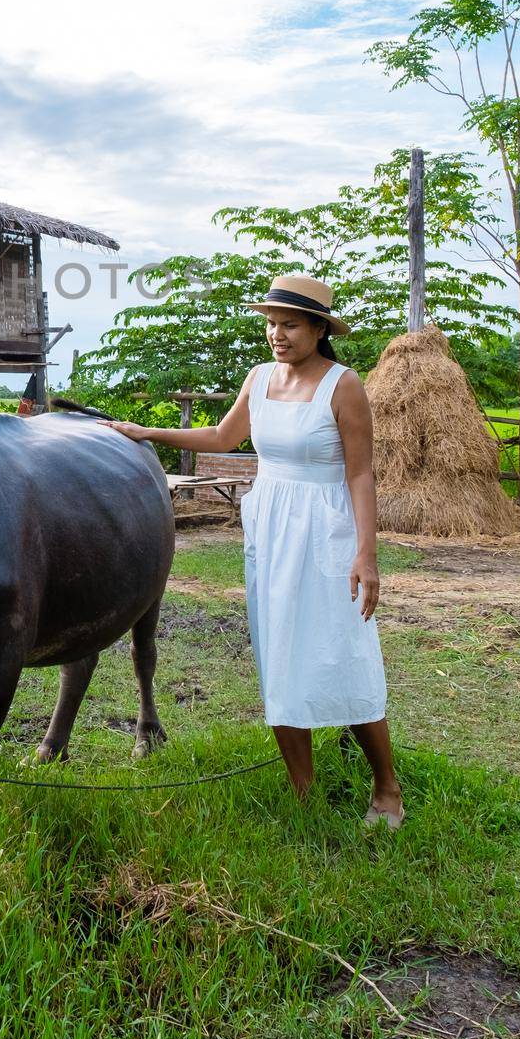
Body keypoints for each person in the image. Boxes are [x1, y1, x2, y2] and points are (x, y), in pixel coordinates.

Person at [105, 273, 403, 828]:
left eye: (289, 324)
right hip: (271, 529)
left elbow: (361, 474)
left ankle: (387, 788)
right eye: (271, 324)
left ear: (318, 329)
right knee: (281, 655)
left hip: (326, 530)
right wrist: (148, 432)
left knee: (344, 653)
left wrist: (367, 555)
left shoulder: (344, 385)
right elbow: (222, 437)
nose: (277, 335)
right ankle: (303, 794)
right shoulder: (260, 379)